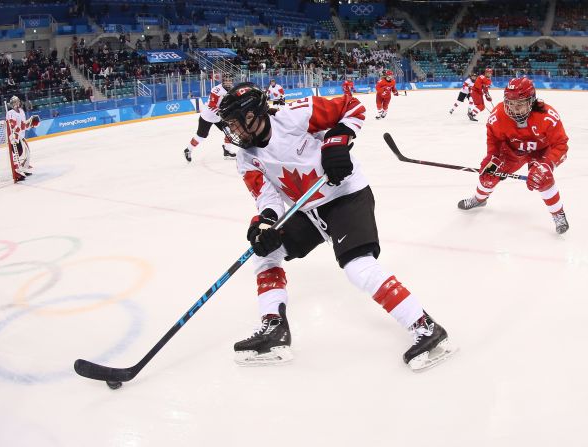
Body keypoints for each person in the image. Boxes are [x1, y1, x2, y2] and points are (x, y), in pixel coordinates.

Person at [217, 83, 454, 371]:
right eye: (229, 126)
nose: (234, 132)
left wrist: (336, 142)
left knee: (357, 266)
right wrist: (264, 224)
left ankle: (426, 326)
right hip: (307, 209)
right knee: (265, 253)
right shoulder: (245, 157)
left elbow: (351, 106)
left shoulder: (295, 116)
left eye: (236, 124)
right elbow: (266, 197)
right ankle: (274, 328)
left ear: (254, 115)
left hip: (346, 195)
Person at [458, 77, 570, 234]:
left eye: (520, 104)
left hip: (540, 152)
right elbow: (494, 140)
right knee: (488, 175)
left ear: (531, 101)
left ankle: (558, 214)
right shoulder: (498, 116)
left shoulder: (547, 116)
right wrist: (493, 157)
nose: (514, 108)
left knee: (543, 177)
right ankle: (479, 199)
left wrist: (548, 164)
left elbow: (561, 144)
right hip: (511, 152)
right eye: (510, 103)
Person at [183, 74, 236, 162]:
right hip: (208, 116)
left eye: (230, 80)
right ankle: (188, 150)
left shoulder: (232, 89)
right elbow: (212, 105)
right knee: (201, 136)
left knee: (229, 130)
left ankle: (227, 151)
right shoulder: (217, 90)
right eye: (226, 80)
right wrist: (222, 114)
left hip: (219, 116)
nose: (228, 82)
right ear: (222, 81)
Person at [6, 96, 40, 180]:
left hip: (21, 136)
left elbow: (23, 124)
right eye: (14, 102)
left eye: (17, 101)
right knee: (19, 155)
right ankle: (17, 172)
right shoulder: (10, 112)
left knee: (27, 153)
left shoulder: (21, 111)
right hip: (15, 137)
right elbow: (12, 124)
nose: (17, 103)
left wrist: (30, 122)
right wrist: (18, 129)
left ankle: (23, 169)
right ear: (11, 104)